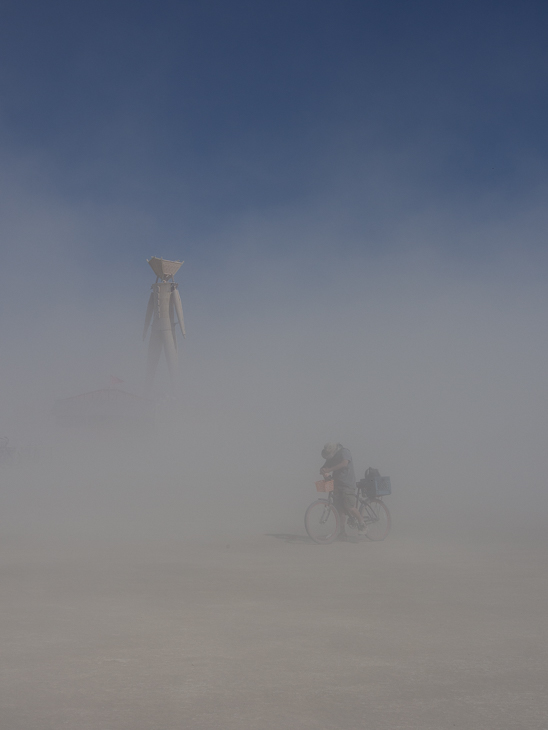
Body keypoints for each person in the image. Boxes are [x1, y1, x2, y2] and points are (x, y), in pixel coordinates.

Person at [320, 443, 364, 540]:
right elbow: (324, 468)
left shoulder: (344, 452)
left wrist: (330, 469)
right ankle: (342, 533)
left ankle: (362, 524)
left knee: (349, 507)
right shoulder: (330, 457)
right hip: (337, 485)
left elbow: (344, 463)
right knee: (340, 510)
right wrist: (323, 471)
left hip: (347, 484)